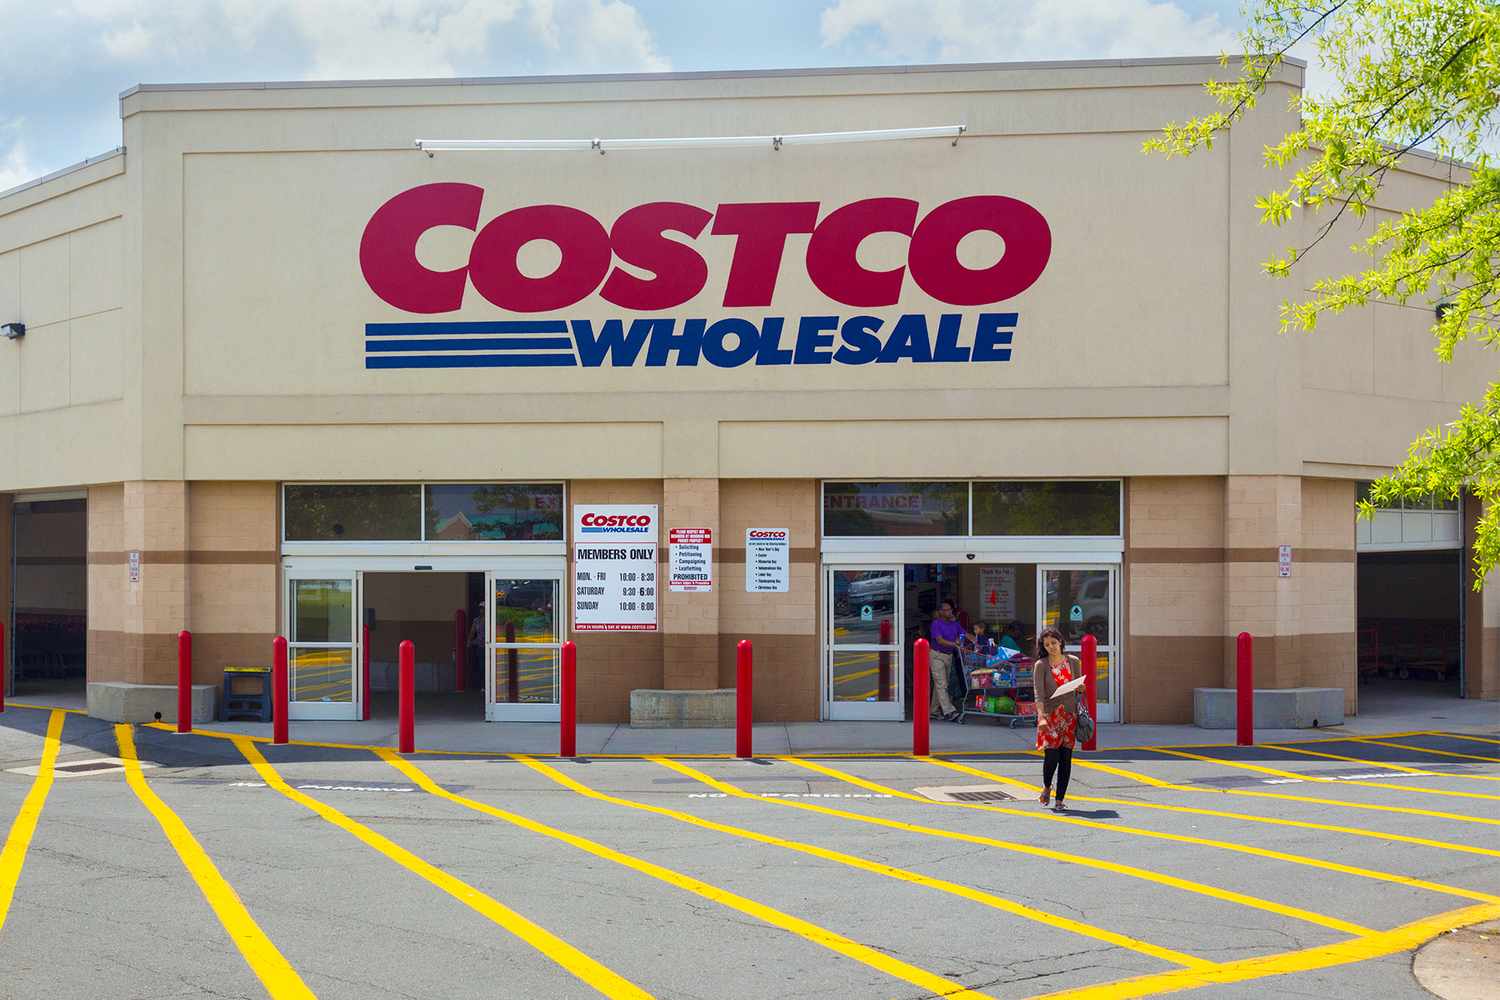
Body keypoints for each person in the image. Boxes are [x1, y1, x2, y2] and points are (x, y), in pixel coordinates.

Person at [1032, 626, 1080, 811]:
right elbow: (1038, 694)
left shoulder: (1073, 661)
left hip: (1069, 715)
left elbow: (1079, 688)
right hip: (1050, 716)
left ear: (1060, 642)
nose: (1051, 647)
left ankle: (1060, 800)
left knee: (1066, 758)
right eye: (1047, 644)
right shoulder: (1041, 665)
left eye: (1053, 642)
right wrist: (1041, 717)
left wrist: (1081, 688)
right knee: (1051, 756)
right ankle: (1046, 786)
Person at [928, 600, 964, 721]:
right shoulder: (936, 624)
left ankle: (933, 711)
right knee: (942, 684)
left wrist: (974, 640)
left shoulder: (955, 624)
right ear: (940, 612)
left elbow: (963, 634)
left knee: (941, 685)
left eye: (950, 609)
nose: (949, 612)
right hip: (937, 655)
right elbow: (940, 640)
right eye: (946, 610)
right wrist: (954, 644)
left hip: (948, 656)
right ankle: (949, 711)